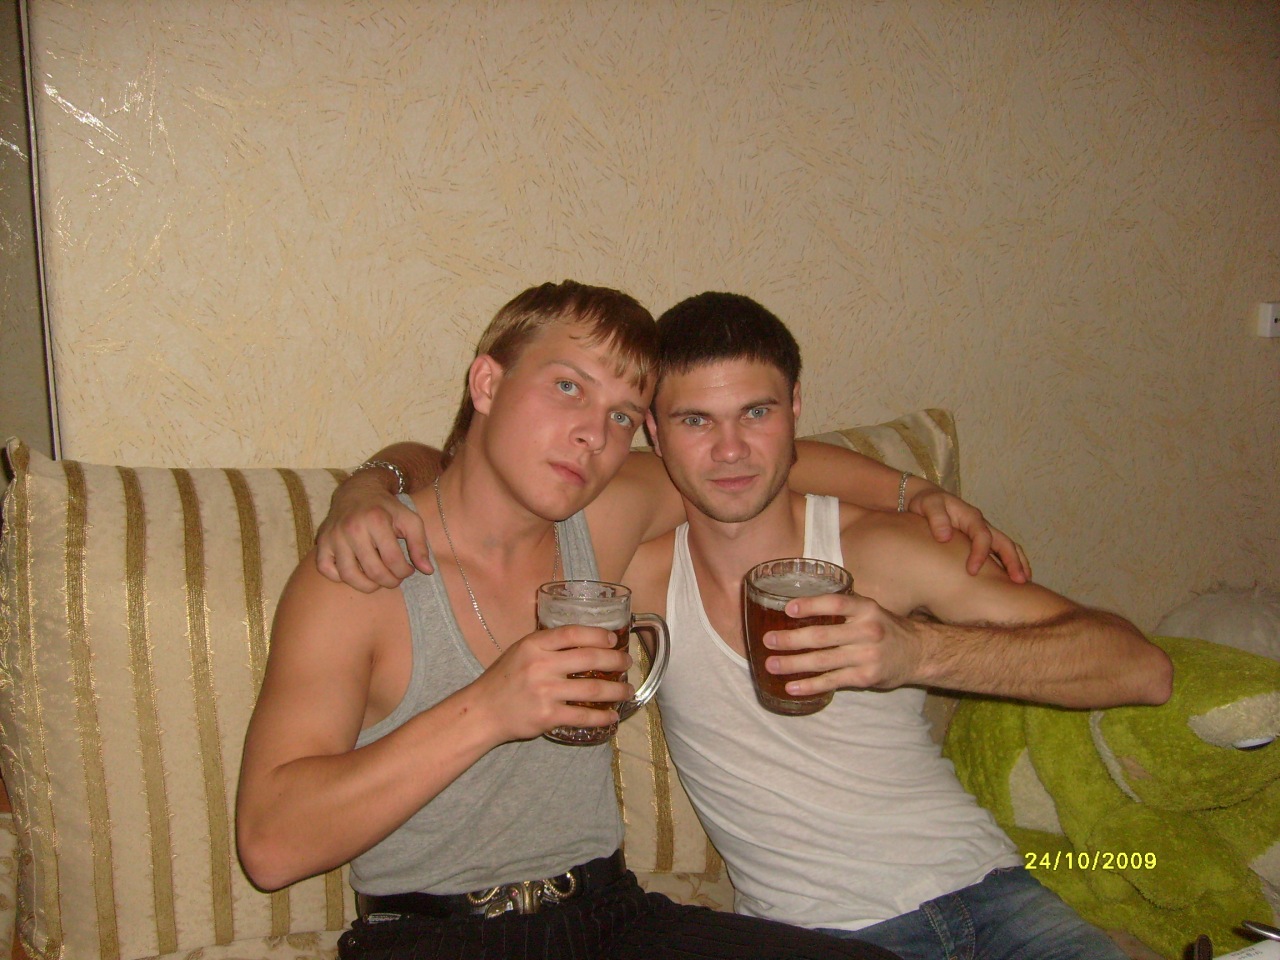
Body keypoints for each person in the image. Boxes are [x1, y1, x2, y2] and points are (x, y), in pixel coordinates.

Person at [236, 280, 905, 960]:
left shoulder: (600, 522)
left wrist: (913, 492)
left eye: (622, 416)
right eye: (567, 387)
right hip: (434, 935)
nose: (593, 435)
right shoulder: (363, 574)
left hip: (610, 915)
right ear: (487, 383)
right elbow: (269, 845)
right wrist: (490, 709)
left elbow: (753, 462)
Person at [617, 292, 1173, 960]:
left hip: (991, 898)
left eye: (756, 413)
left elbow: (1140, 669)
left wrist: (920, 652)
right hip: (815, 937)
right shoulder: (642, 573)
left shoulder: (884, 547)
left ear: (795, 409)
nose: (730, 450)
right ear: (654, 431)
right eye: (696, 421)